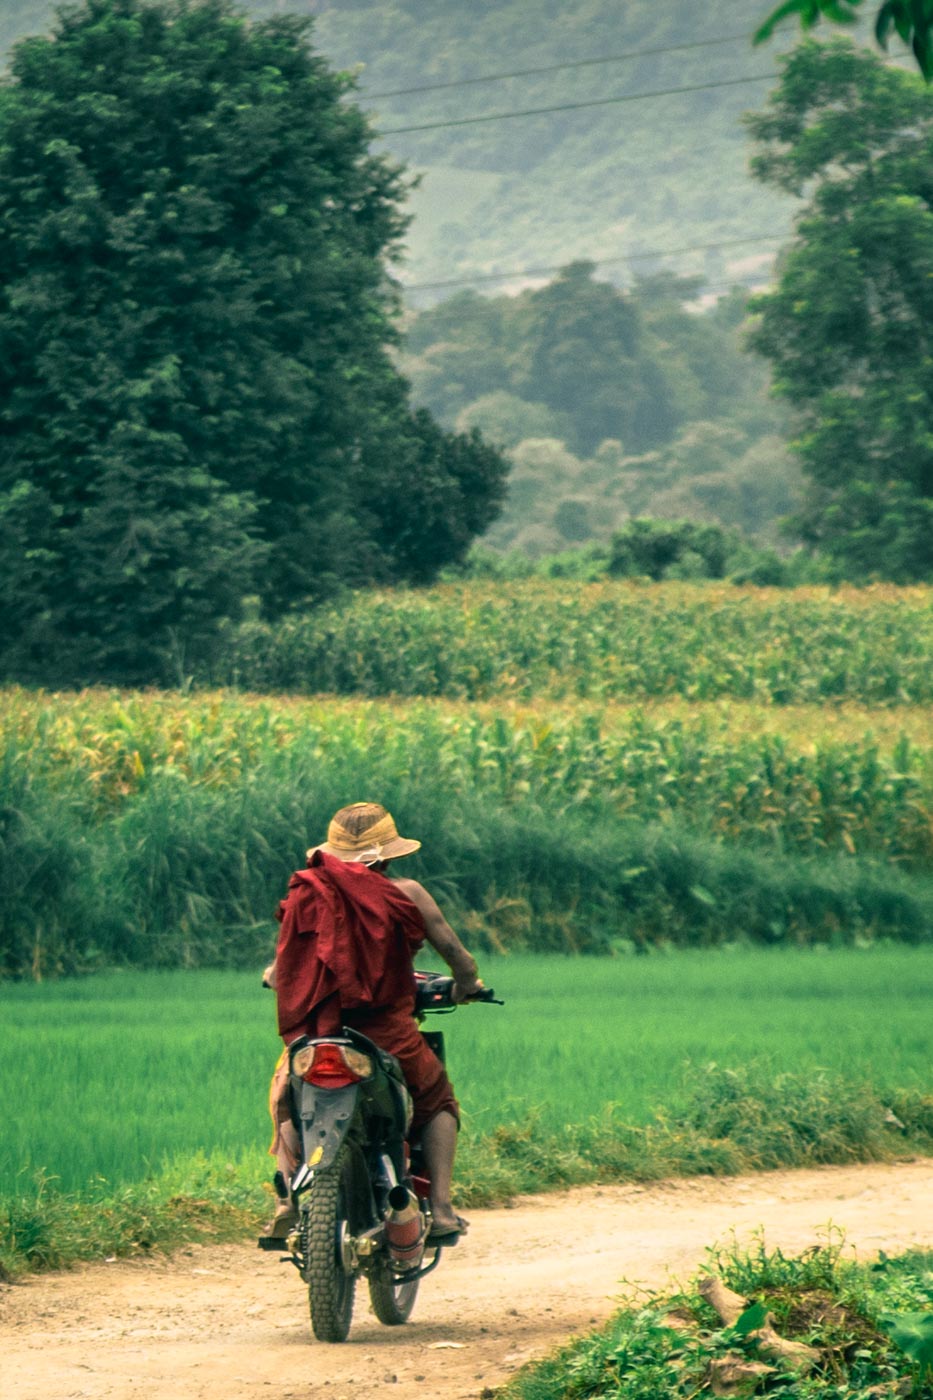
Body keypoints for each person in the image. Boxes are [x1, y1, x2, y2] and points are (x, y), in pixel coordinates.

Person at [264, 801, 483, 1245]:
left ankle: (285, 1202)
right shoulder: (407, 892)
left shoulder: (308, 890)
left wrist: (274, 975)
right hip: (386, 1033)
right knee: (437, 1097)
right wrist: (468, 984)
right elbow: (457, 956)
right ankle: (440, 1210)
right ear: (386, 854)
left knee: (287, 1093)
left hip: (317, 1032)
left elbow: (286, 962)